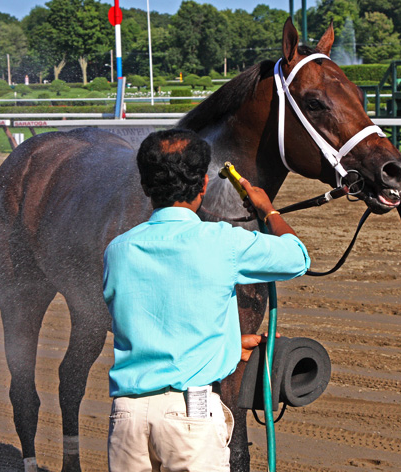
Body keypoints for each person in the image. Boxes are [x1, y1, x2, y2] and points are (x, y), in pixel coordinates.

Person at [102, 128, 310, 471]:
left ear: (145, 186)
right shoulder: (221, 242)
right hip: (190, 416)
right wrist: (267, 210)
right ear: (204, 184)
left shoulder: (117, 250)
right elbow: (296, 258)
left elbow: (149, 321)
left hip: (126, 418)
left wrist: (227, 342)